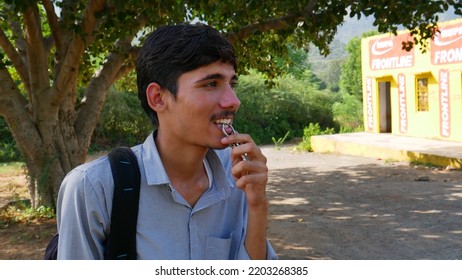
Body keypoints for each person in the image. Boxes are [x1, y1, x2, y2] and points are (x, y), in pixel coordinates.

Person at [56, 23, 277, 260]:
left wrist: (257, 205)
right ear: (158, 98)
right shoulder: (93, 188)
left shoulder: (238, 175)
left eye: (231, 84)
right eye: (211, 84)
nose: (233, 101)